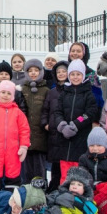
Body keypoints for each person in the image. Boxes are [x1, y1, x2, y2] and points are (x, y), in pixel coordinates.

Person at [51, 59, 99, 182]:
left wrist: (76, 124)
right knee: (64, 174)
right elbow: (57, 112)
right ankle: (63, 196)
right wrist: (62, 125)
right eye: (72, 74)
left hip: (80, 138)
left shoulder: (88, 94)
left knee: (78, 174)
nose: (75, 77)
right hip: (64, 140)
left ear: (83, 76)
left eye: (78, 74)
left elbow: (90, 112)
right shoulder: (64, 93)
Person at [0, 80, 31, 192]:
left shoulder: (18, 113)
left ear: (13, 95)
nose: (5, 95)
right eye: (3, 92)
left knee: (13, 176)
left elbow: (24, 130)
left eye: (9, 93)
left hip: (13, 151)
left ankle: (12, 201)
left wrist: (24, 146)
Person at [41, 60, 68, 191]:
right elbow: (45, 109)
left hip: (67, 132)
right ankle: (53, 189)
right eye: (58, 72)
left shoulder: (71, 90)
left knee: (65, 163)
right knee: (55, 166)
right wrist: (45, 123)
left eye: (64, 71)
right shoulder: (52, 92)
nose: (61, 74)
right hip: (53, 132)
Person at [22, 59, 49, 183]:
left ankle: (40, 194)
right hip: (25, 137)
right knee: (26, 170)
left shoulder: (46, 90)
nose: (33, 73)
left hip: (40, 137)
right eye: (30, 70)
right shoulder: (22, 90)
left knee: (39, 170)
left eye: (36, 70)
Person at [67, 41, 104, 109]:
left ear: (84, 53)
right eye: (73, 51)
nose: (75, 53)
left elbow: (97, 97)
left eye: (78, 51)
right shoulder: (64, 71)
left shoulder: (90, 74)